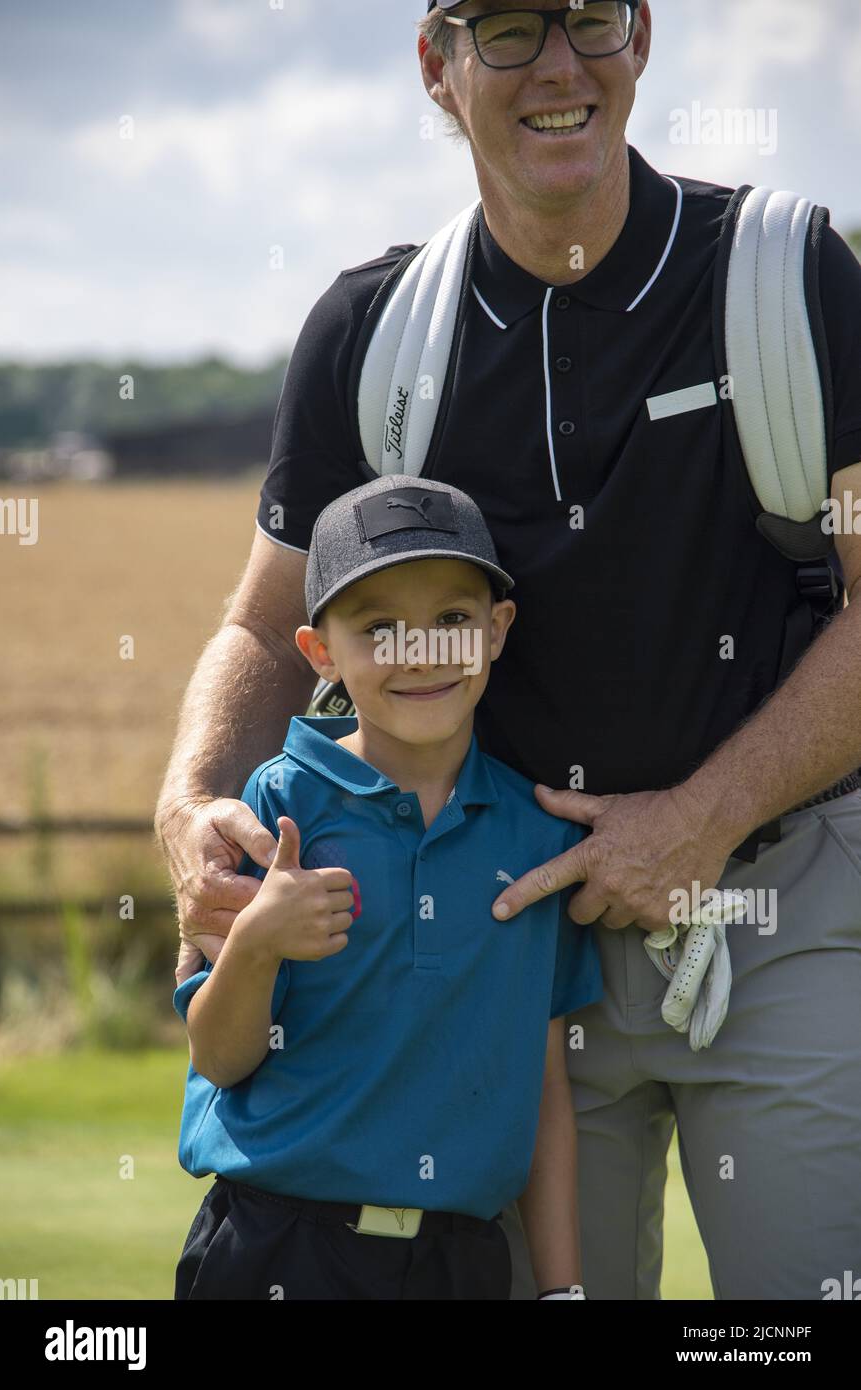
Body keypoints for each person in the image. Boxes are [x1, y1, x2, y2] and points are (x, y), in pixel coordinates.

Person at [156, 0, 861, 1298]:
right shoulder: (372, 333)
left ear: (640, 37)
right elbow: (263, 622)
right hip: (505, 953)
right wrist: (190, 803)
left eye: (590, 19)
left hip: (778, 909)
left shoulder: (789, 274)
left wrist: (703, 817)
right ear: (439, 62)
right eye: (511, 27)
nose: (559, 65)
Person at [171, 474, 603, 1301]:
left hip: (459, 1264)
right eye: (379, 628)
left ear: (498, 629)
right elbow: (221, 1058)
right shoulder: (275, 809)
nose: (423, 653)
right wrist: (258, 942)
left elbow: (543, 1090)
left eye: (451, 620)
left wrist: (562, 1289)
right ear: (320, 652)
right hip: (276, 1250)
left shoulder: (536, 835)